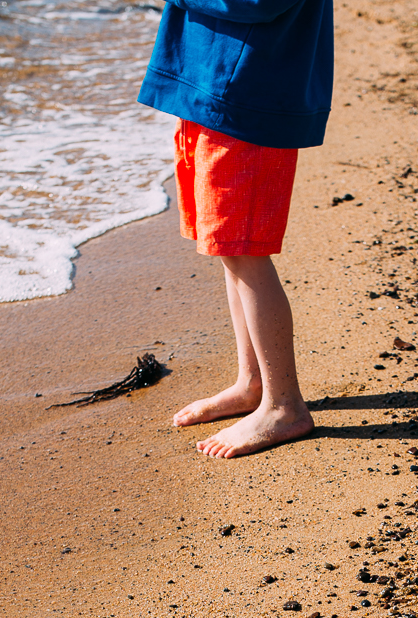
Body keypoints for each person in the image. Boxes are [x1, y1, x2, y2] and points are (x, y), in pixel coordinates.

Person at [138, 0, 333, 458]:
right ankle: (253, 384)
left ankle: (284, 405)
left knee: (245, 250)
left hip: (246, 91)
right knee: (229, 246)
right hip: (214, 80)